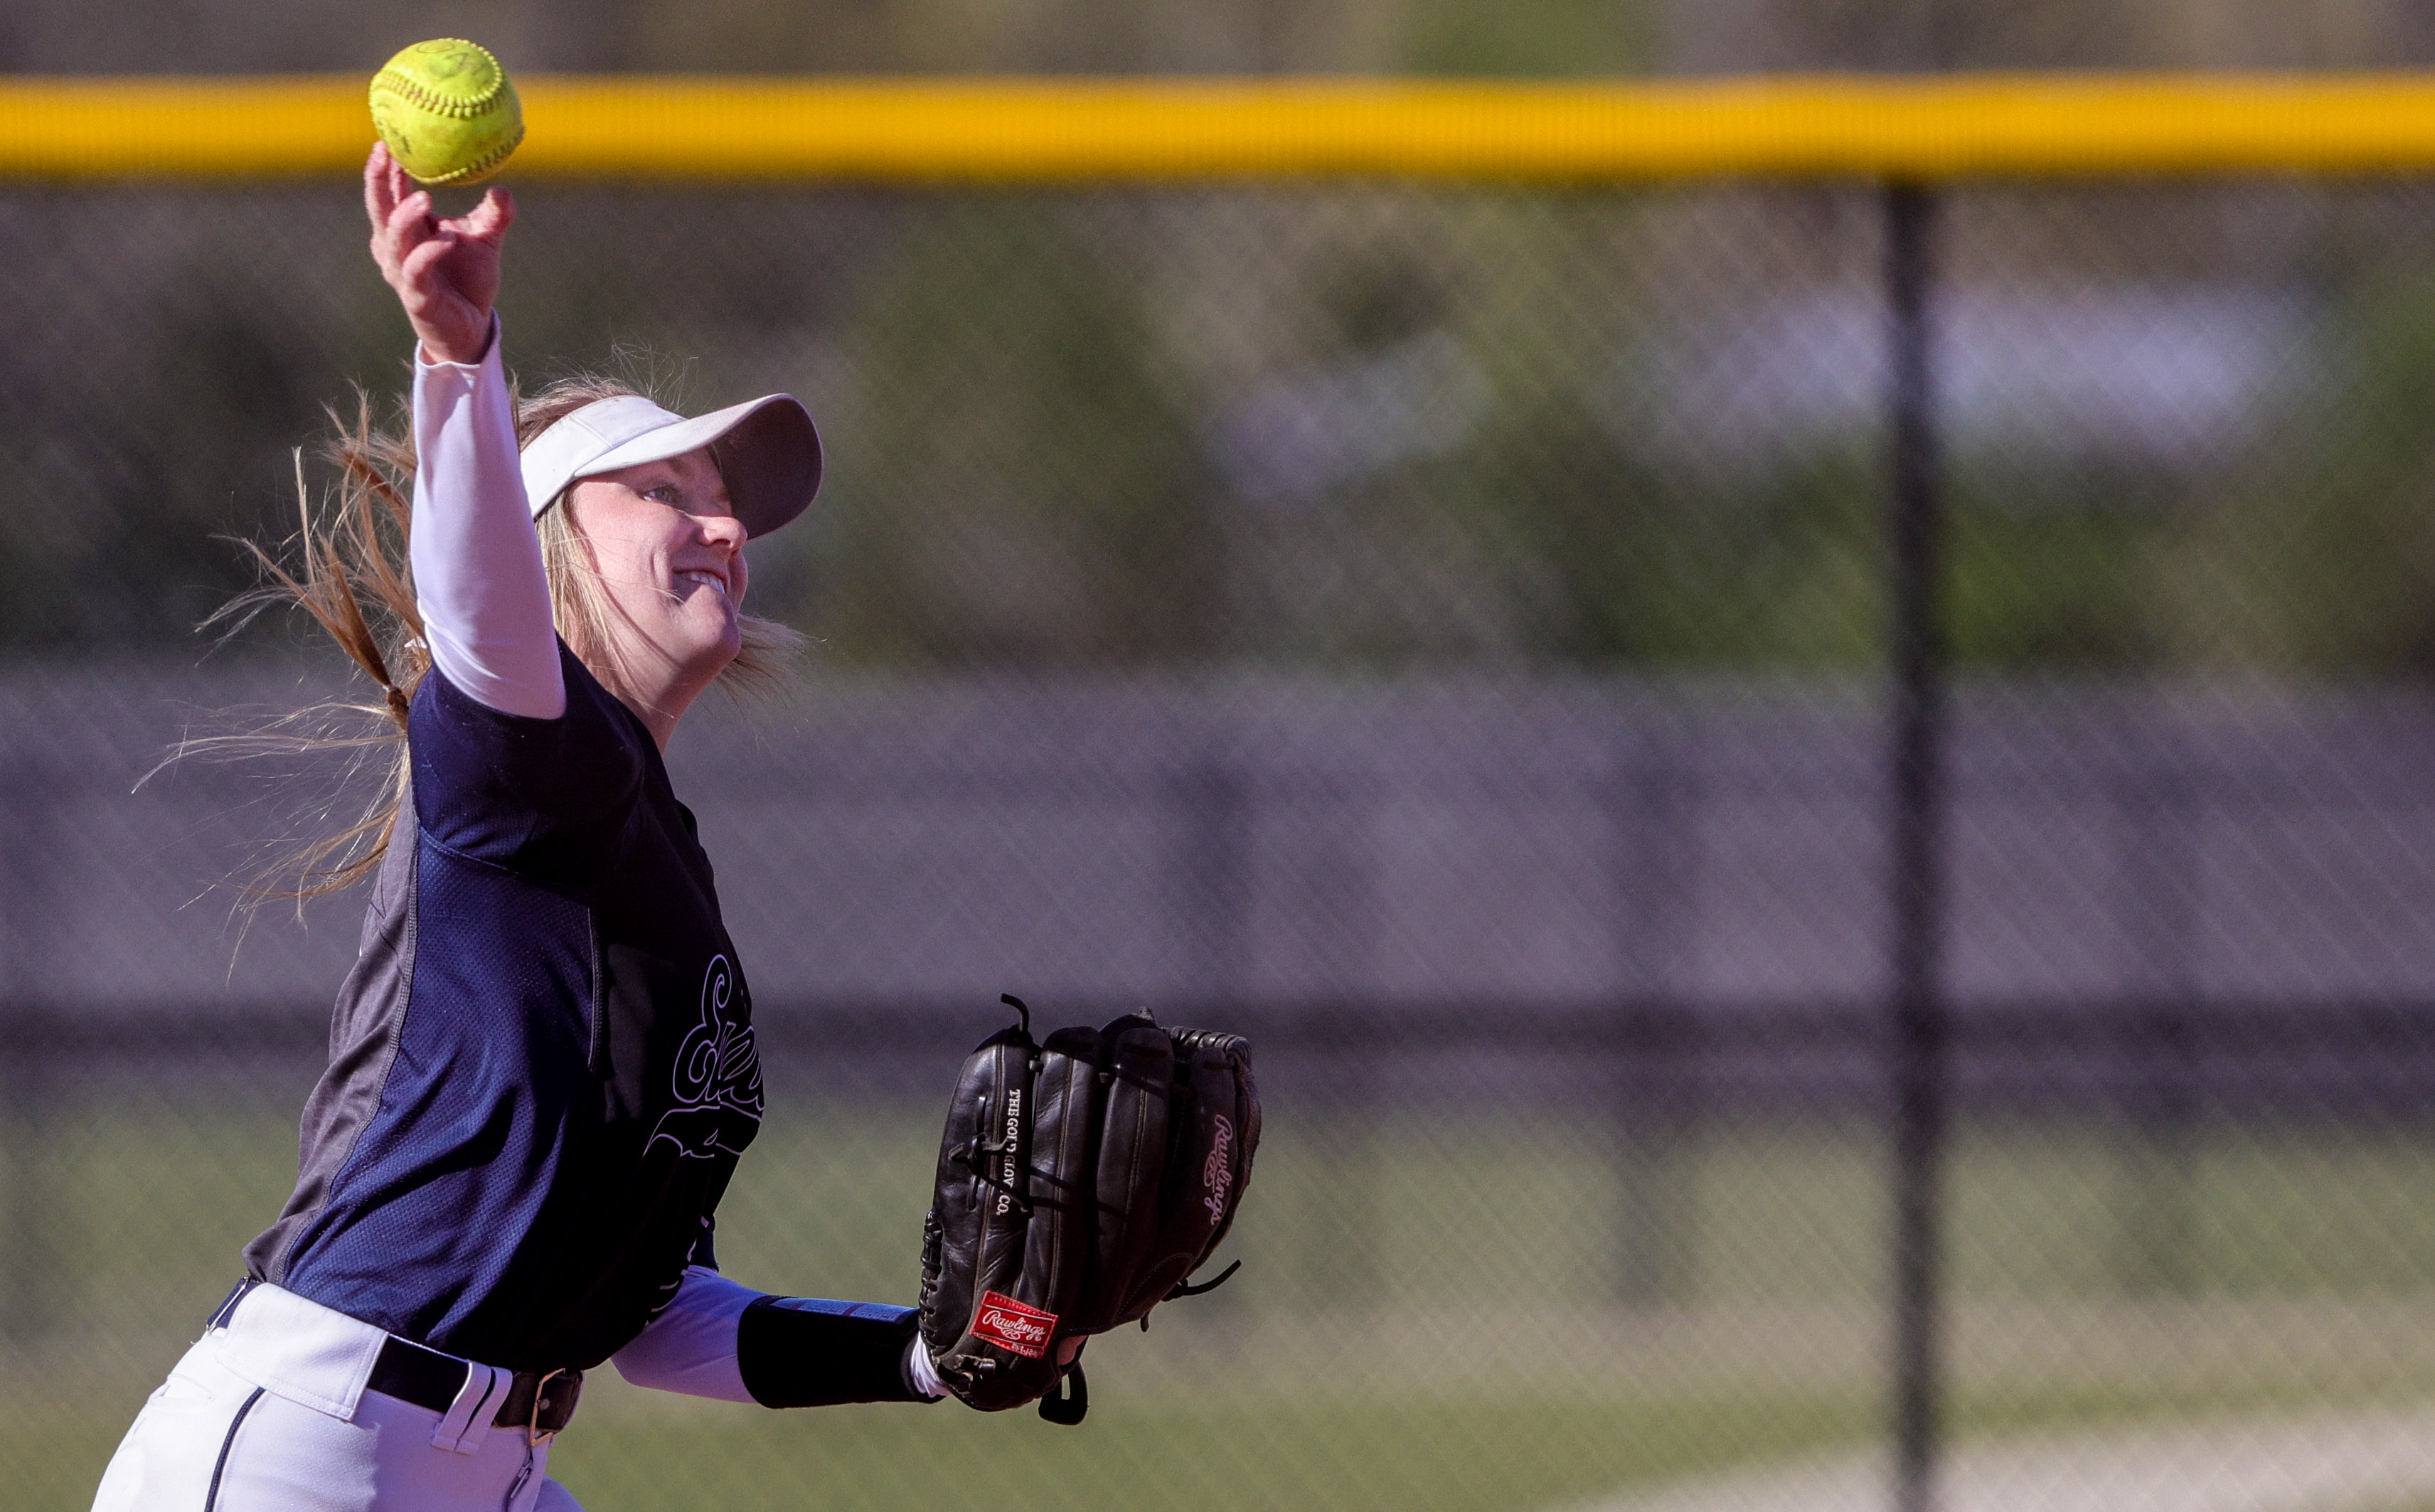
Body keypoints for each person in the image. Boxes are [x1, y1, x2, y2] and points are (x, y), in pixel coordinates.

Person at [90, 142, 953, 1512]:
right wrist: (458, 357)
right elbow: (479, 606)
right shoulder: (513, 761)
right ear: (543, 541)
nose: (723, 522)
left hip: (499, 1470)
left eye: (726, 501)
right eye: (665, 490)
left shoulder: (664, 865)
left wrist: (925, 1352)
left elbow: (657, 1321)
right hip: (313, 1453)